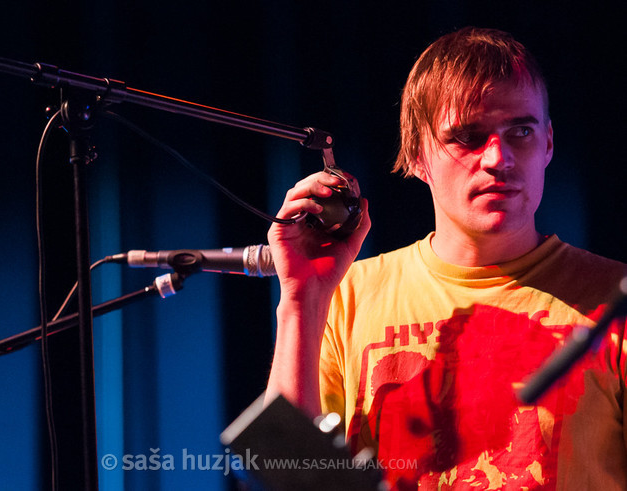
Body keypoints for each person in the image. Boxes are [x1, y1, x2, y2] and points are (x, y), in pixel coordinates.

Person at [265, 27, 627, 489]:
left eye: (520, 131)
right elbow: (285, 478)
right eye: (468, 137)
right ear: (418, 155)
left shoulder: (615, 300)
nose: (499, 158)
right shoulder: (347, 297)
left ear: (549, 143)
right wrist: (301, 301)